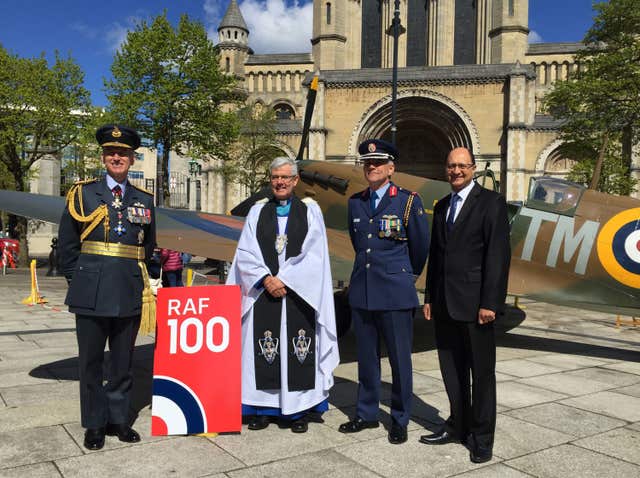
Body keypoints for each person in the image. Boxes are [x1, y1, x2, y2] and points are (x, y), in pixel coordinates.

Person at [58, 124, 156, 451]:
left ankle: (118, 420)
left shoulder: (144, 198)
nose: (117, 157)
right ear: (103, 157)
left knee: (123, 361)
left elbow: (148, 246)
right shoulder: (83, 193)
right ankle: (95, 423)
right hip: (91, 289)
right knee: (90, 362)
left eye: (123, 153)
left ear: (131, 158)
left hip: (127, 289)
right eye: (111, 153)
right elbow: (69, 246)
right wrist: (81, 279)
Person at [226, 156, 339, 433]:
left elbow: (315, 256)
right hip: (264, 291)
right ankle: (262, 409)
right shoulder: (257, 211)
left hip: (299, 295)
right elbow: (245, 252)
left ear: (295, 180)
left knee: (297, 350)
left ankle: (298, 411)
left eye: (285, 177)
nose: (280, 182)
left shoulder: (311, 211)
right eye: (275, 177)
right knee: (263, 348)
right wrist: (266, 279)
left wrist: (285, 279)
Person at [421, 147, 510, 464]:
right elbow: (437, 255)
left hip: (476, 307)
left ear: (472, 168)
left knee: (482, 375)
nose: (456, 171)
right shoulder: (443, 205)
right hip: (445, 303)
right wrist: (430, 296)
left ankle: (482, 438)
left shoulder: (491, 203)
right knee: (452, 371)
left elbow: (497, 256)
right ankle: (458, 425)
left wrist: (490, 303)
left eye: (462, 166)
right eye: (451, 166)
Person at [339, 139, 429, 444]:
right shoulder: (356, 202)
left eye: (378, 163)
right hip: (364, 292)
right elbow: (359, 243)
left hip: (394, 292)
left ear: (391, 168)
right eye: (368, 163)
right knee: (367, 358)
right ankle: (365, 414)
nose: (372, 167)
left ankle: (401, 418)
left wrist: (402, 276)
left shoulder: (406, 201)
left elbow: (419, 249)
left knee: (400, 360)